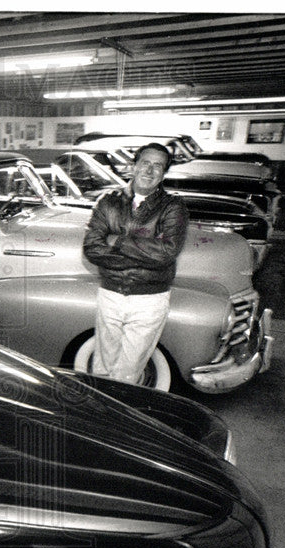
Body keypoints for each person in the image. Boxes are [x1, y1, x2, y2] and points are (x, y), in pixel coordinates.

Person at [81, 142, 189, 385]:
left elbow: (166, 253)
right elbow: (91, 248)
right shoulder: (108, 201)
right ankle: (102, 417)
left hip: (149, 301)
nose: (149, 171)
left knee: (128, 374)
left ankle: (119, 419)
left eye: (158, 166)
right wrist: (145, 252)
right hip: (110, 294)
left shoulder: (173, 207)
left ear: (164, 173)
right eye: (145, 163)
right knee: (101, 368)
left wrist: (117, 240)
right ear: (133, 166)